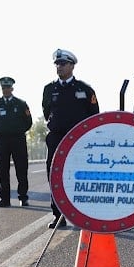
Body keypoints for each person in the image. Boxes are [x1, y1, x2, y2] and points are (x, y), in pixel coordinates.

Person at [42, 49, 100, 228]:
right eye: (57, 64)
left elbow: (94, 114)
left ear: (72, 66)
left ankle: (84, 213)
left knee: (81, 175)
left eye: (63, 64)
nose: (59, 67)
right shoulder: (49, 89)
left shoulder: (84, 89)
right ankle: (58, 215)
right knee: (54, 174)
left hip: (79, 139)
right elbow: (46, 112)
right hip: (57, 137)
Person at [0, 77, 33, 208]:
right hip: (2, 140)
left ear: (12, 89)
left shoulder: (21, 104)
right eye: (3, 88)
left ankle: (23, 197)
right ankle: (4, 198)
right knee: (2, 170)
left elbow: (28, 121)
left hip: (18, 139)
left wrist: (17, 130)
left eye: (8, 88)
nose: (6, 90)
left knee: (21, 169)